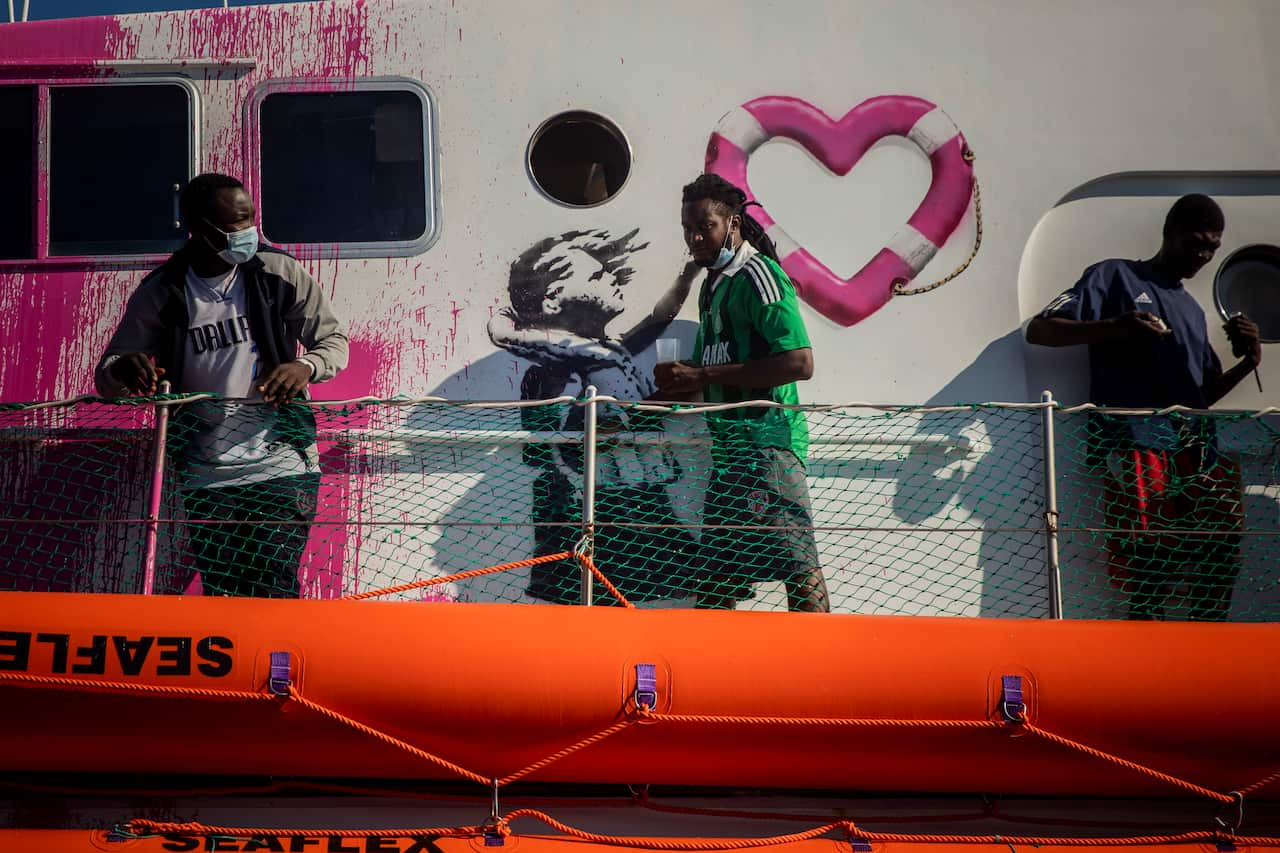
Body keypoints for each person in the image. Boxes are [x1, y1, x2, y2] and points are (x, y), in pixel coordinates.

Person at [95, 172, 349, 598]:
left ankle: (282, 665)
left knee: (273, 585)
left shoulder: (277, 271)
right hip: (204, 471)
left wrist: (304, 367)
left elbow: (333, 341)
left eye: (250, 220)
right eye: (235, 225)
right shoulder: (164, 290)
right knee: (223, 592)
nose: (248, 232)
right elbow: (108, 375)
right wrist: (125, 370)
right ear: (200, 227)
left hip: (281, 462)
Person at [1026, 194, 1261, 620]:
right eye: (1197, 242)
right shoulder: (1115, 276)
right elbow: (1041, 330)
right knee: (1153, 558)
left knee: (1221, 547)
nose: (1204, 255)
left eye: (1213, 248)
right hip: (1136, 443)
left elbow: (1200, 396)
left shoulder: (1190, 309)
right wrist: (1114, 328)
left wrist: (1248, 363)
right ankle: (1148, 651)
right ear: (1170, 233)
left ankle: (1205, 646)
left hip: (1195, 452)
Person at [489, 229, 703, 604]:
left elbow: (658, 318)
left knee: (648, 585)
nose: (612, 279)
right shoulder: (576, 353)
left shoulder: (610, 350)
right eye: (597, 276)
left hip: (638, 495)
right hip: (606, 505)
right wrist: (504, 327)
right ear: (555, 299)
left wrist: (686, 277)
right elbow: (518, 342)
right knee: (608, 589)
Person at [655, 173, 829, 612]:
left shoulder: (759, 275)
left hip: (768, 448)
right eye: (687, 229)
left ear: (732, 224)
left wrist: (703, 375)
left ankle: (821, 667)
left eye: (705, 227)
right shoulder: (713, 285)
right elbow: (708, 371)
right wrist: (668, 389)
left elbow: (800, 362)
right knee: (715, 585)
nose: (695, 238)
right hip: (730, 453)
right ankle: (712, 675)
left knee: (798, 569)